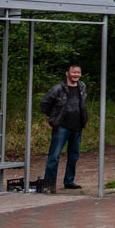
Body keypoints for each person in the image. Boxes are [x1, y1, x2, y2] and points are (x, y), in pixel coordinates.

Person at [40, 64, 87, 194]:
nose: (76, 75)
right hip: (61, 127)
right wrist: (54, 117)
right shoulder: (58, 89)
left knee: (74, 156)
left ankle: (69, 181)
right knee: (54, 156)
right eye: (73, 72)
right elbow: (44, 103)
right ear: (67, 73)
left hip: (77, 127)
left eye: (78, 72)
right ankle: (49, 183)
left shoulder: (82, 87)